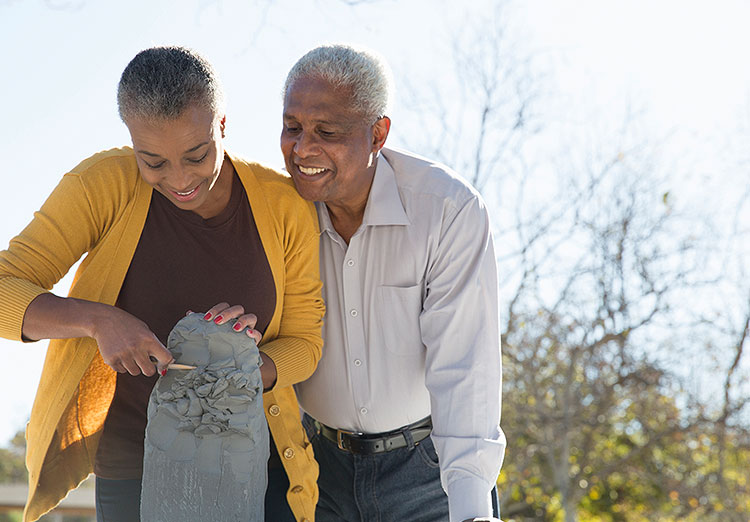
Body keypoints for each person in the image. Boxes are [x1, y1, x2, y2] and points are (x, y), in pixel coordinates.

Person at [0, 46, 324, 522]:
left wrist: (244, 370)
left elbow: (306, 343)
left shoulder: (283, 207)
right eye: (153, 162)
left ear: (223, 126)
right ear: (131, 142)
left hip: (257, 459)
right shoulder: (102, 185)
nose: (180, 180)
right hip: (136, 463)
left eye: (197, 155)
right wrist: (98, 320)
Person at [281, 44, 506, 522]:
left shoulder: (447, 210)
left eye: (327, 132)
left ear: (378, 133)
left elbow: (464, 372)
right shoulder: (276, 211)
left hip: (428, 473)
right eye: (293, 128)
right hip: (316, 471)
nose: (302, 150)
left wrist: (470, 511)